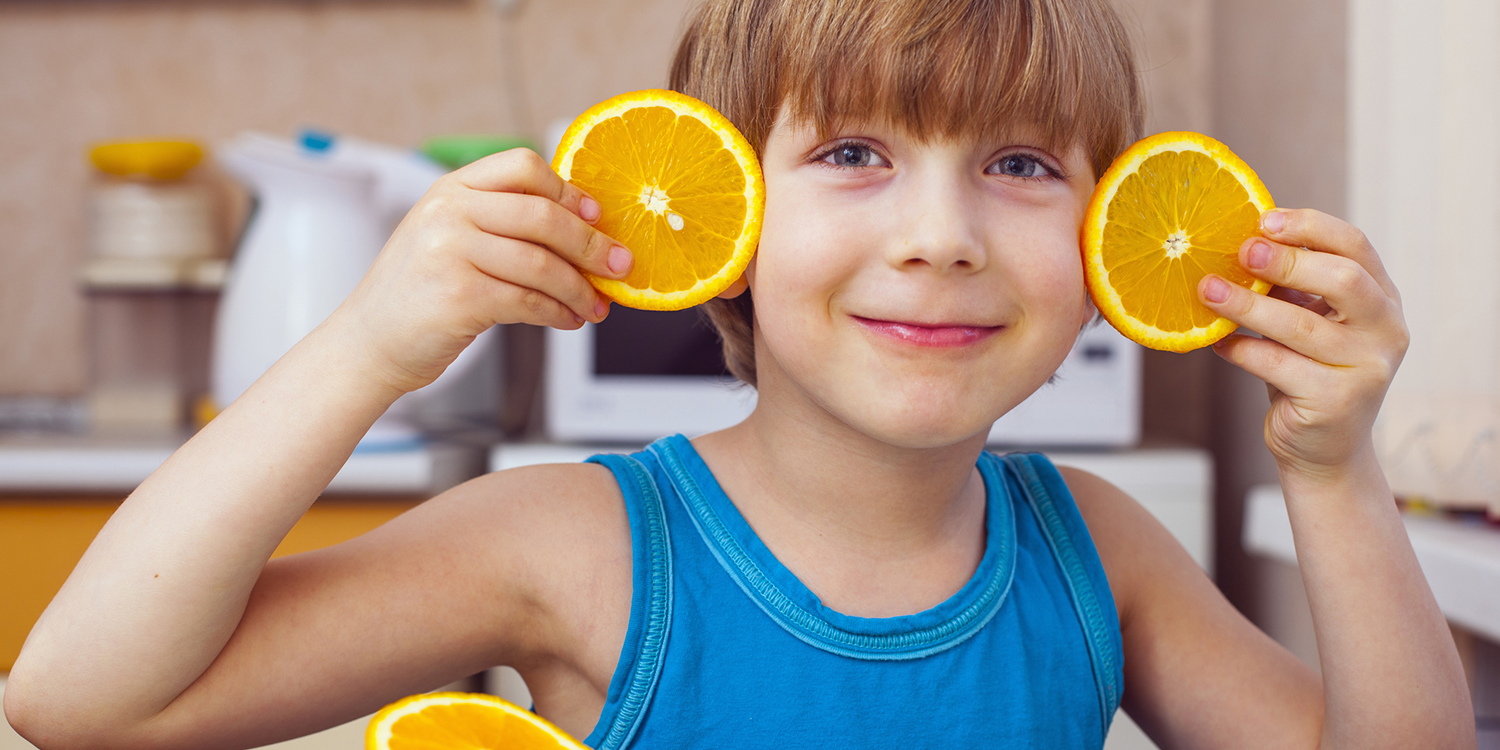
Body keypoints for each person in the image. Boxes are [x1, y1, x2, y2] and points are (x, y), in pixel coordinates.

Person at [5, 0, 1475, 747]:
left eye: (1020, 163)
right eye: (852, 154)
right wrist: (376, 347)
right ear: (716, 219)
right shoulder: (573, 546)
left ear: (1107, 230)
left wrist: (1334, 470)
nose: (941, 237)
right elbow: (81, 706)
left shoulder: (1100, 552)